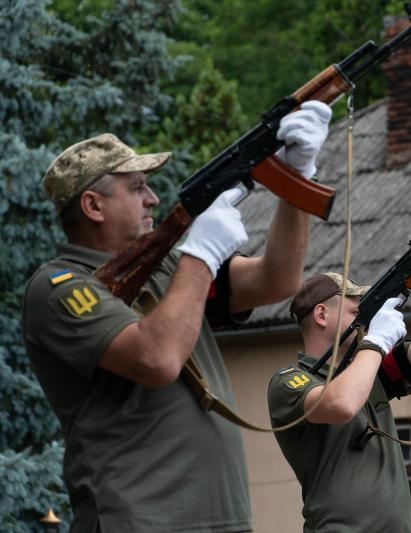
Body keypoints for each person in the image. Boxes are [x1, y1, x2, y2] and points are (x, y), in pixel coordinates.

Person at [22, 101, 332, 533]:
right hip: (139, 520)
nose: (153, 198)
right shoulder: (59, 288)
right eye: (136, 188)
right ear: (93, 206)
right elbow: (158, 359)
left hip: (221, 519)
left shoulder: (168, 267)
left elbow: (276, 280)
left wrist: (297, 179)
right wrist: (202, 253)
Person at [267, 209, 411, 532]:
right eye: (355, 310)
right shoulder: (290, 382)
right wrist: (376, 341)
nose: (366, 320)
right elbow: (341, 404)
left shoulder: (369, 368)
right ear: (322, 315)